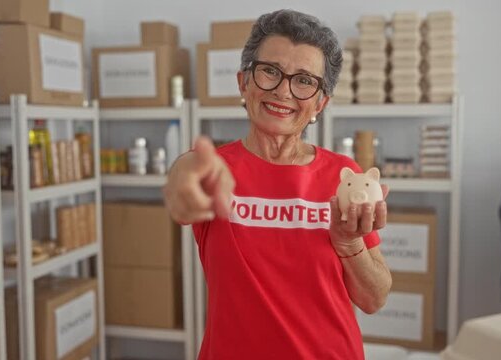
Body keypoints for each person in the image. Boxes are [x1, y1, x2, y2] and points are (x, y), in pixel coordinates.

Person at [164, 9, 392, 360]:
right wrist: (181, 170)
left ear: (321, 102)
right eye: (270, 71)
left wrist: (348, 243)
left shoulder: (343, 175)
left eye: (304, 80)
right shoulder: (215, 168)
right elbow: (182, 189)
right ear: (244, 82)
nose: (283, 91)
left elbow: (374, 298)